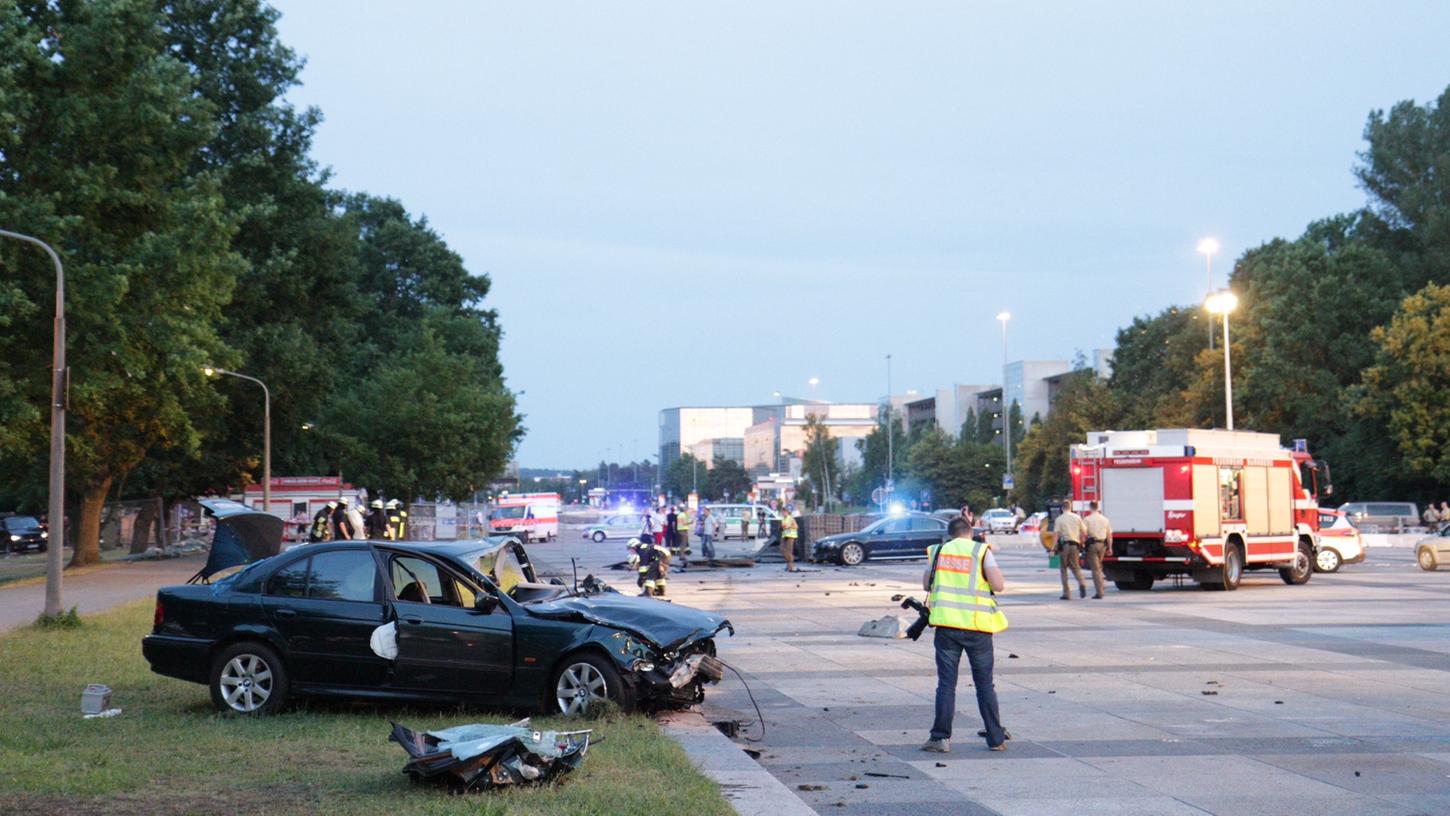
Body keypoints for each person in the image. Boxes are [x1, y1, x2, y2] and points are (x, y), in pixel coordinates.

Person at [922, 517, 1009, 753]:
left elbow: (925, 585)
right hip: (977, 627)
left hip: (947, 627)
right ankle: (996, 739)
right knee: (984, 685)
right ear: (970, 532)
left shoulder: (938, 551)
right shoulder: (981, 551)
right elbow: (998, 585)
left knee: (946, 685)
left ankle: (940, 738)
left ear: (950, 534)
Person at [1053, 502, 1087, 600]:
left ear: (1062, 508)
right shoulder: (1077, 518)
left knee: (1063, 569)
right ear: (1070, 507)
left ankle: (1066, 594)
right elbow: (1084, 532)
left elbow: (1056, 534)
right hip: (1075, 545)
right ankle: (1082, 583)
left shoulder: (1059, 519)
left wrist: (1052, 548)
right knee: (1075, 567)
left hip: (1064, 546)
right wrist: (1082, 542)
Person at [1082, 501, 1113, 599]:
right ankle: (1101, 588)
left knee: (1095, 569)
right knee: (1099, 567)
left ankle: (1099, 592)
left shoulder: (1087, 519)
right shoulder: (1105, 519)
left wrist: (1082, 545)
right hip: (1103, 545)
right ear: (1098, 507)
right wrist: (1110, 548)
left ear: (1090, 508)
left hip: (1092, 545)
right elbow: (1109, 535)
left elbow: (1083, 534)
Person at [780, 507, 800, 572]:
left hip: (791, 536)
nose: (783, 513)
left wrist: (789, 527)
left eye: (784, 512)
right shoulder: (783, 519)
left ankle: (790, 566)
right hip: (784, 535)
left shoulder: (791, 518)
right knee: (782, 549)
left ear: (787, 512)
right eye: (782, 512)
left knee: (789, 551)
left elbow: (796, 526)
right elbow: (783, 527)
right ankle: (790, 562)